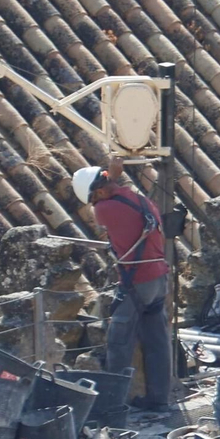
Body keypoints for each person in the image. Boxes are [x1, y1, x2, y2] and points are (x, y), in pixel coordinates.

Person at [73, 157, 173, 410]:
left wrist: (110, 175)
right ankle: (159, 399)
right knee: (158, 342)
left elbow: (107, 214)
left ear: (99, 192)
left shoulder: (104, 210)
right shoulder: (141, 199)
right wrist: (112, 174)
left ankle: (113, 403)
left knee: (119, 342)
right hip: (159, 278)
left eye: (93, 198)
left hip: (136, 281)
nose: (94, 205)